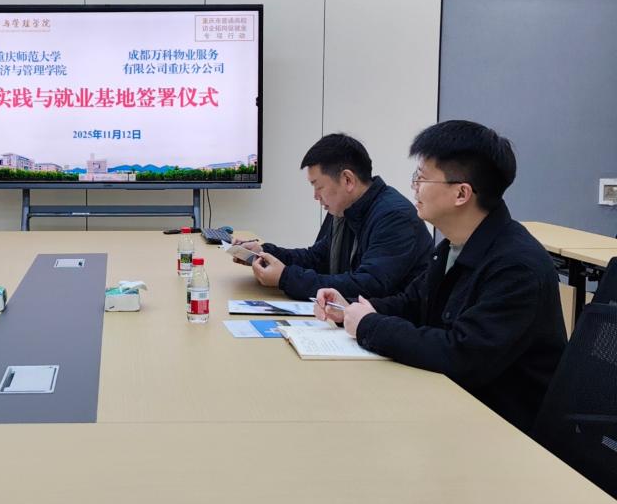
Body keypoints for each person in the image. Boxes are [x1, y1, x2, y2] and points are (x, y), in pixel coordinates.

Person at [314, 120, 567, 432]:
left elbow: (460, 354)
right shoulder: (453, 246)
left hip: (502, 428)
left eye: (422, 178)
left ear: (461, 193)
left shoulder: (517, 268)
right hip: (452, 405)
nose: (414, 187)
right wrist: (349, 308)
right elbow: (412, 303)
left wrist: (369, 325)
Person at [236, 133, 432, 300]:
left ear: (347, 180)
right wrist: (264, 252)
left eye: (318, 186)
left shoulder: (394, 216)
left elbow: (368, 286)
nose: (315, 196)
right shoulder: (345, 209)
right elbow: (317, 258)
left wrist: (285, 278)